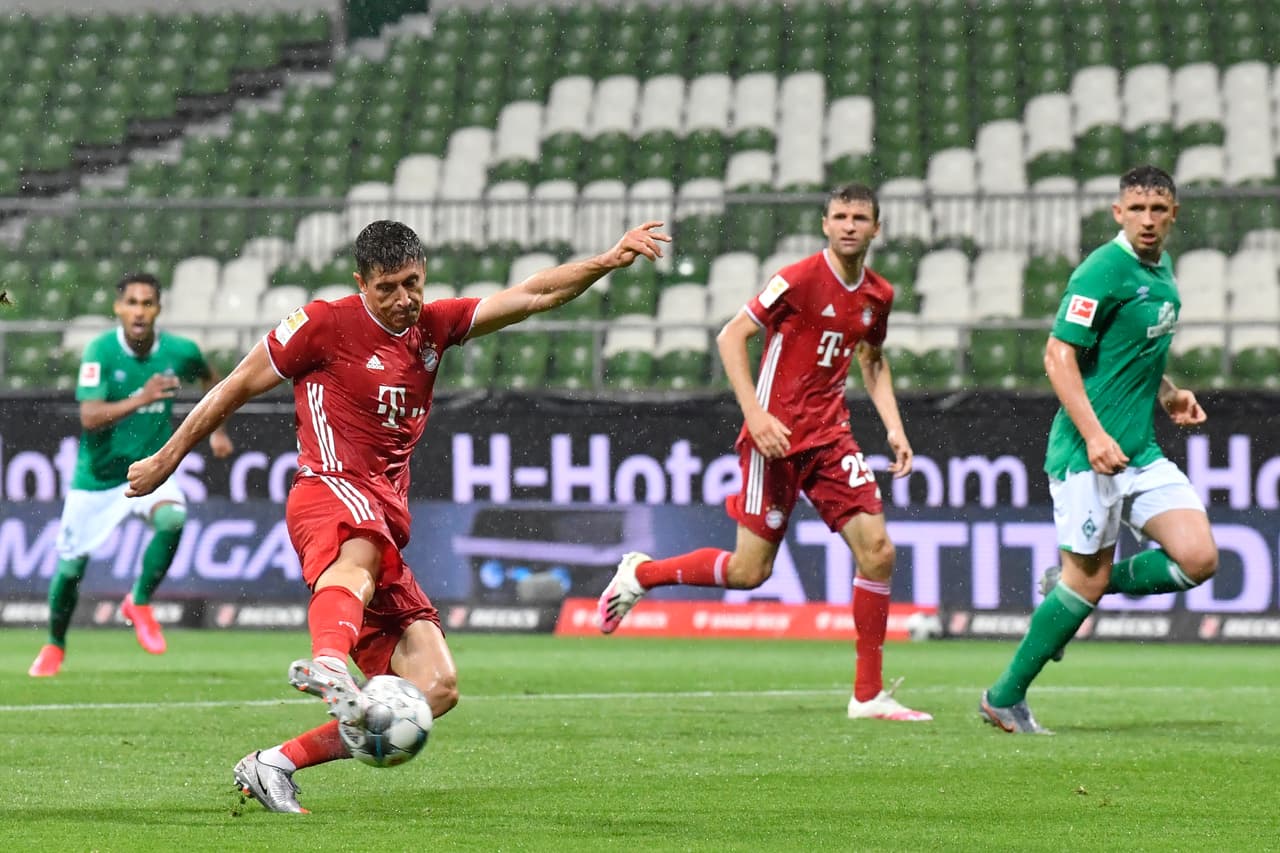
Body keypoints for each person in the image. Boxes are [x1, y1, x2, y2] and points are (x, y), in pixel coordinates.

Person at [125, 219, 670, 813]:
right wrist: (166, 457)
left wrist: (607, 259)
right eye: (387, 287)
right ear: (361, 283)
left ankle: (274, 763)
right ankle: (330, 661)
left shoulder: (433, 326)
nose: (404, 299)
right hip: (328, 488)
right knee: (360, 551)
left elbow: (534, 294)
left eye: (413, 283)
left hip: (384, 513)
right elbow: (233, 387)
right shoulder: (322, 324)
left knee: (436, 688)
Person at [596, 183, 930, 722]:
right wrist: (755, 413)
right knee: (750, 572)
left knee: (879, 551)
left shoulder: (878, 296)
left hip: (831, 438)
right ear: (825, 224)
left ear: (876, 228)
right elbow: (732, 336)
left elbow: (872, 359)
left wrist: (894, 427)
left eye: (860, 217)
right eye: (840, 216)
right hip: (774, 439)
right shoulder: (797, 280)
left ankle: (868, 695)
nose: (849, 225)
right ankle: (642, 574)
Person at [979, 165, 1218, 735]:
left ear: (1174, 214)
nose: (1148, 220)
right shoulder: (1102, 269)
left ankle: (1067, 591)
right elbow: (1058, 356)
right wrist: (1093, 435)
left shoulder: (1162, 275)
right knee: (1084, 580)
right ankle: (1003, 696)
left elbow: (1130, 353)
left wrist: (1169, 392)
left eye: (1159, 210)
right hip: (1086, 453)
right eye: (1137, 209)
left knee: (1199, 558)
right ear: (1118, 213)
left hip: (1138, 449)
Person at [28, 272, 233, 677]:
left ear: (158, 309)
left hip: (147, 471)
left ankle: (138, 601)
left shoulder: (180, 351)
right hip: (97, 479)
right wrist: (142, 398)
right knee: (70, 570)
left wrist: (220, 431)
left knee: (173, 517)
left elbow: (215, 381)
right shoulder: (101, 351)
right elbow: (89, 417)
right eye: (132, 303)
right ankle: (54, 643)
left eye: (148, 303)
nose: (139, 311)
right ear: (118, 308)